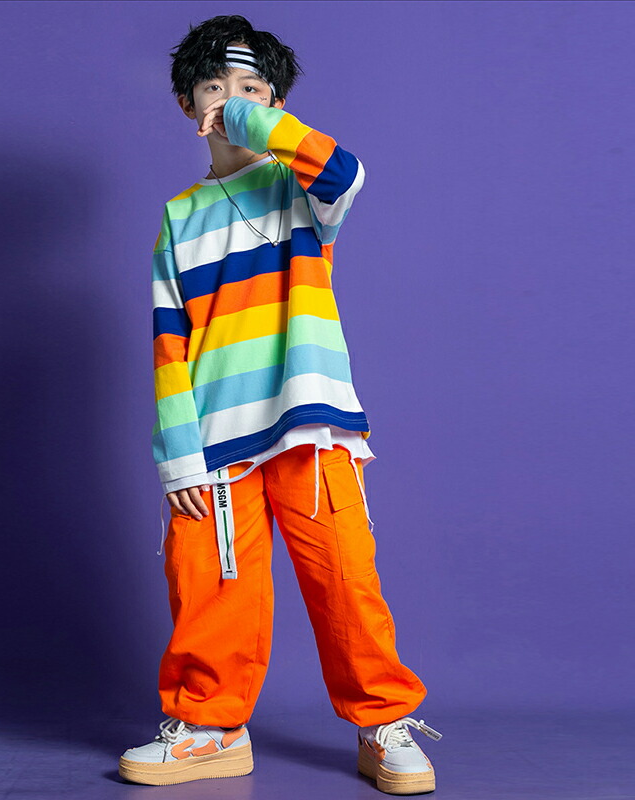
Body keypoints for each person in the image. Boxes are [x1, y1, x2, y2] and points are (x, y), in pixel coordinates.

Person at [119, 14, 443, 794]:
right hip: (214, 439)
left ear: (276, 103)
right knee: (208, 589)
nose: (232, 101)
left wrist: (256, 121)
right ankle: (210, 729)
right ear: (187, 105)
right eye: (215, 88)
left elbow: (346, 173)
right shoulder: (179, 216)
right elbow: (168, 343)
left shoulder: (299, 188)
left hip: (310, 423)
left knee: (345, 581)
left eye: (252, 88)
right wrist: (178, 456)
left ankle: (383, 723)